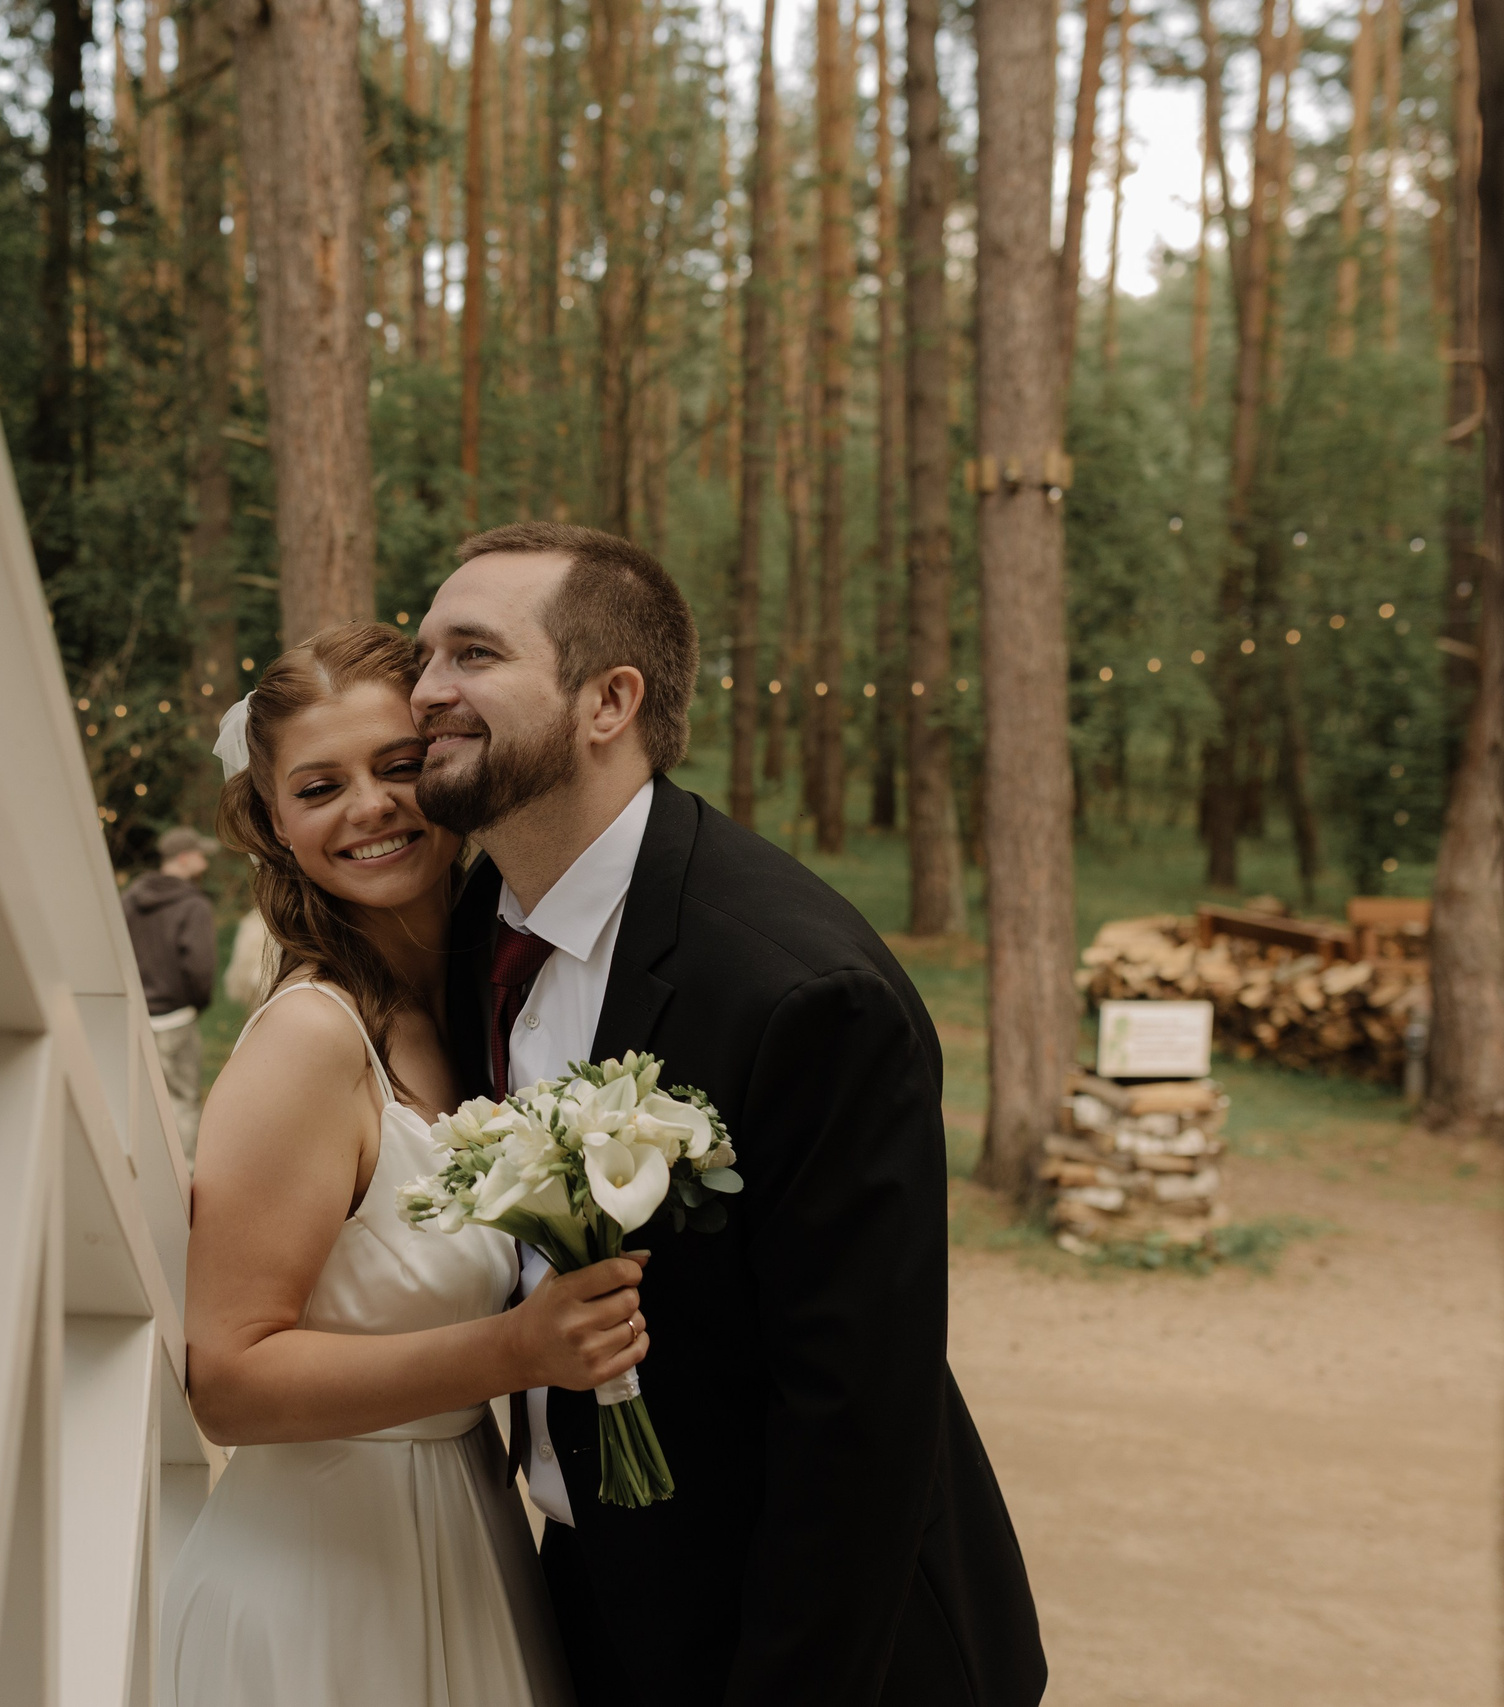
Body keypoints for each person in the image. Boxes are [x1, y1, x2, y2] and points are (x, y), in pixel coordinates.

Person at [412, 522, 1046, 1707]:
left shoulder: (804, 993)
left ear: (609, 700)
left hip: (810, 1645)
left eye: (472, 656)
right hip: (586, 1603)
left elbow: (857, 1424)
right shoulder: (474, 928)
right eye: (423, 657)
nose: (424, 694)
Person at [160, 622, 646, 1707]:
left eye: (396, 767)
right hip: (322, 1589)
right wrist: (516, 1348)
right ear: (275, 826)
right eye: (319, 787)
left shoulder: (481, 1008)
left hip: (467, 1540)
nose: (369, 809)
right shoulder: (311, 1041)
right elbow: (226, 1378)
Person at [123, 825, 218, 1156]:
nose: (205, 860)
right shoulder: (193, 905)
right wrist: (198, 1002)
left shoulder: (130, 900)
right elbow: (200, 966)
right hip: (176, 1018)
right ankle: (184, 1174)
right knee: (183, 1100)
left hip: (136, 1018)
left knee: (140, 1101)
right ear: (185, 857)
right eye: (200, 854)